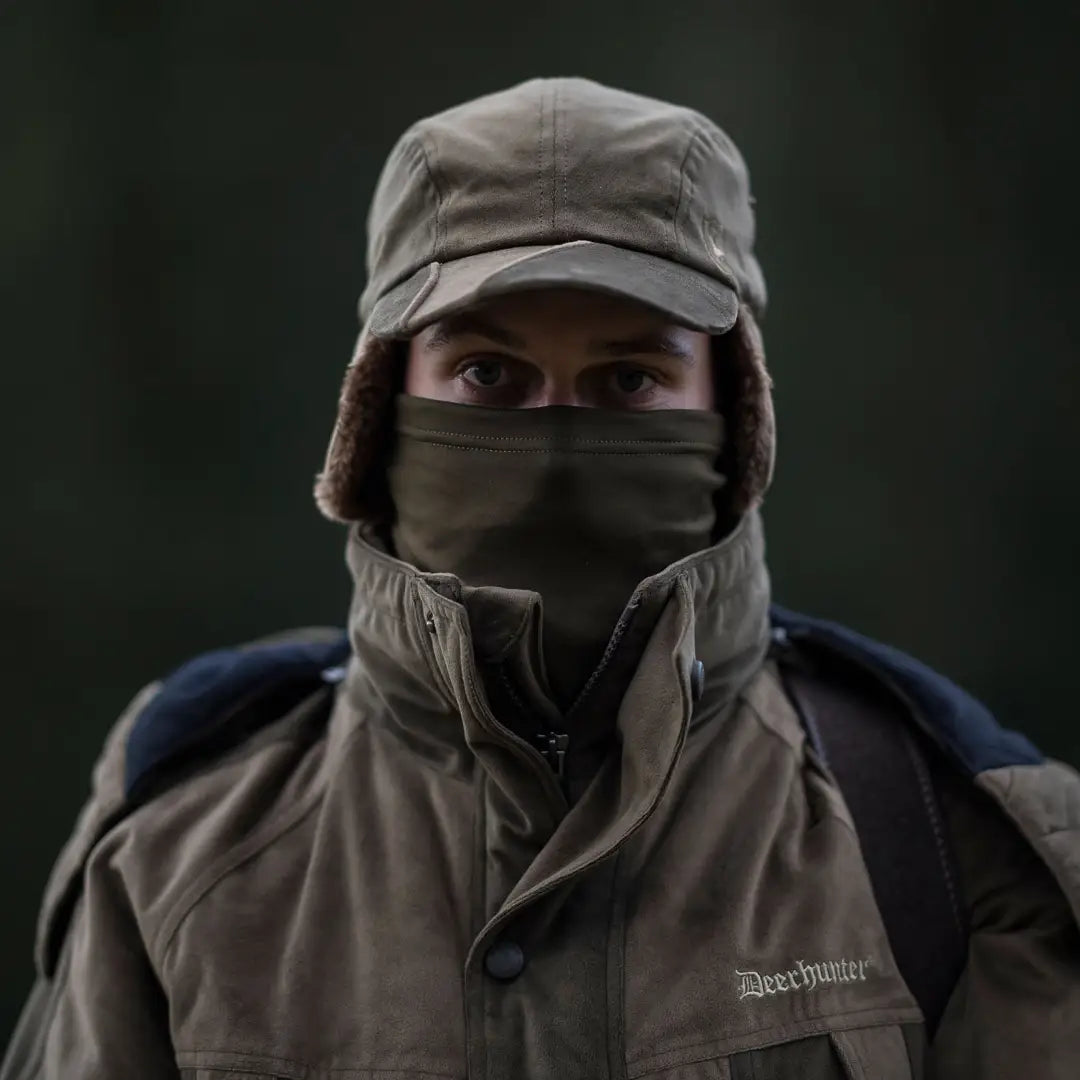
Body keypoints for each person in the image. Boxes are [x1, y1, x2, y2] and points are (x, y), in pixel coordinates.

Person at [3, 77, 1078, 1080]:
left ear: (735, 418)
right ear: (377, 414)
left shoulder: (936, 834)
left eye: (630, 377)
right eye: (486, 374)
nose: (558, 441)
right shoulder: (186, 837)